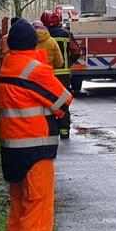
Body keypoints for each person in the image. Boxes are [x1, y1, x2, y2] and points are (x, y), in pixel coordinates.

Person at [0, 17, 73, 231]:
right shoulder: (35, 70)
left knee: (18, 210)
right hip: (35, 151)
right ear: (33, 43)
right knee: (37, 212)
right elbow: (63, 101)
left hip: (12, 150)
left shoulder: (7, 65)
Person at [42, 12, 73, 140]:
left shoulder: (42, 36)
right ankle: (64, 132)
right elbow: (76, 51)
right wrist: (69, 63)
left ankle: (50, 131)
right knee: (63, 103)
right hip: (63, 74)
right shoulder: (66, 34)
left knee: (47, 102)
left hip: (45, 74)